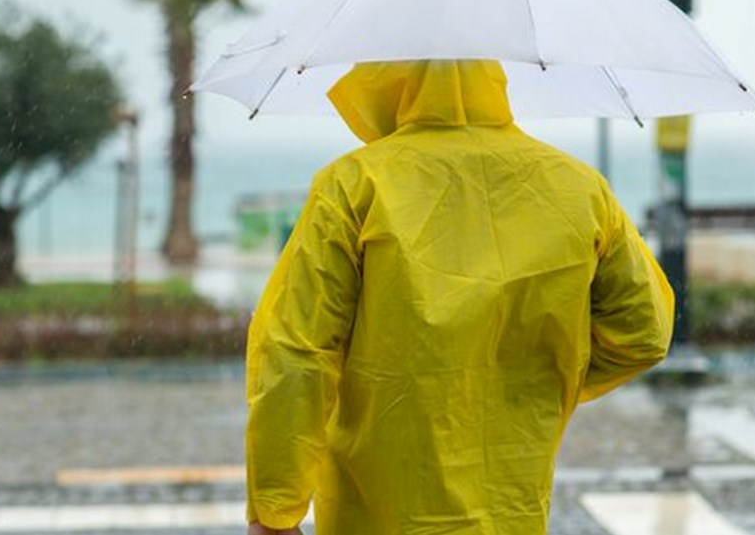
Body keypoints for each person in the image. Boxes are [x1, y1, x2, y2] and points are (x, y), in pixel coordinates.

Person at [245, 60, 674, 535]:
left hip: (373, 513)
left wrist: (276, 508)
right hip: (512, 509)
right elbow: (645, 333)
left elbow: (295, 350)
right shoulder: (581, 189)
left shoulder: (353, 185)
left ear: (389, 79)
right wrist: (542, 378)